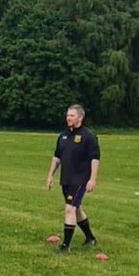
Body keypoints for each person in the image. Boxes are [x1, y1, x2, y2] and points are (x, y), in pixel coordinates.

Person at [45, 104, 100, 252]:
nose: (68, 118)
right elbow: (57, 157)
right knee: (76, 209)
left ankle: (65, 246)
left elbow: (95, 159)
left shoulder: (88, 136)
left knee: (69, 209)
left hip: (80, 180)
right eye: (68, 115)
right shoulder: (63, 136)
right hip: (66, 179)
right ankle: (90, 238)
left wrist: (92, 179)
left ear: (80, 117)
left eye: (72, 115)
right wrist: (50, 175)